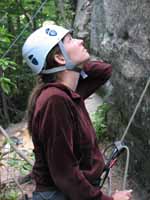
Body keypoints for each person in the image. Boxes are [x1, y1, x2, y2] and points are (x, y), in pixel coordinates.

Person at [22, 24, 132, 200]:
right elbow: (65, 174)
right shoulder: (54, 100)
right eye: (70, 40)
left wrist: (74, 67)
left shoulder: (69, 93)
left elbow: (105, 71)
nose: (80, 41)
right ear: (59, 57)